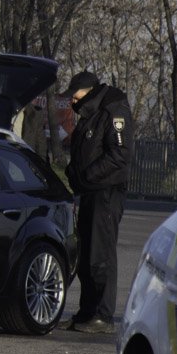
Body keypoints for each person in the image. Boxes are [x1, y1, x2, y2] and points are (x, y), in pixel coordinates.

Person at [61, 70, 134, 333]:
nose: (72, 101)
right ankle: (86, 312)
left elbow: (120, 155)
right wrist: (74, 175)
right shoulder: (90, 114)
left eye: (76, 95)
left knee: (100, 255)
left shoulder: (113, 111)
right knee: (87, 255)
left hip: (106, 192)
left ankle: (102, 316)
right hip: (90, 191)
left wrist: (87, 176)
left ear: (88, 91)